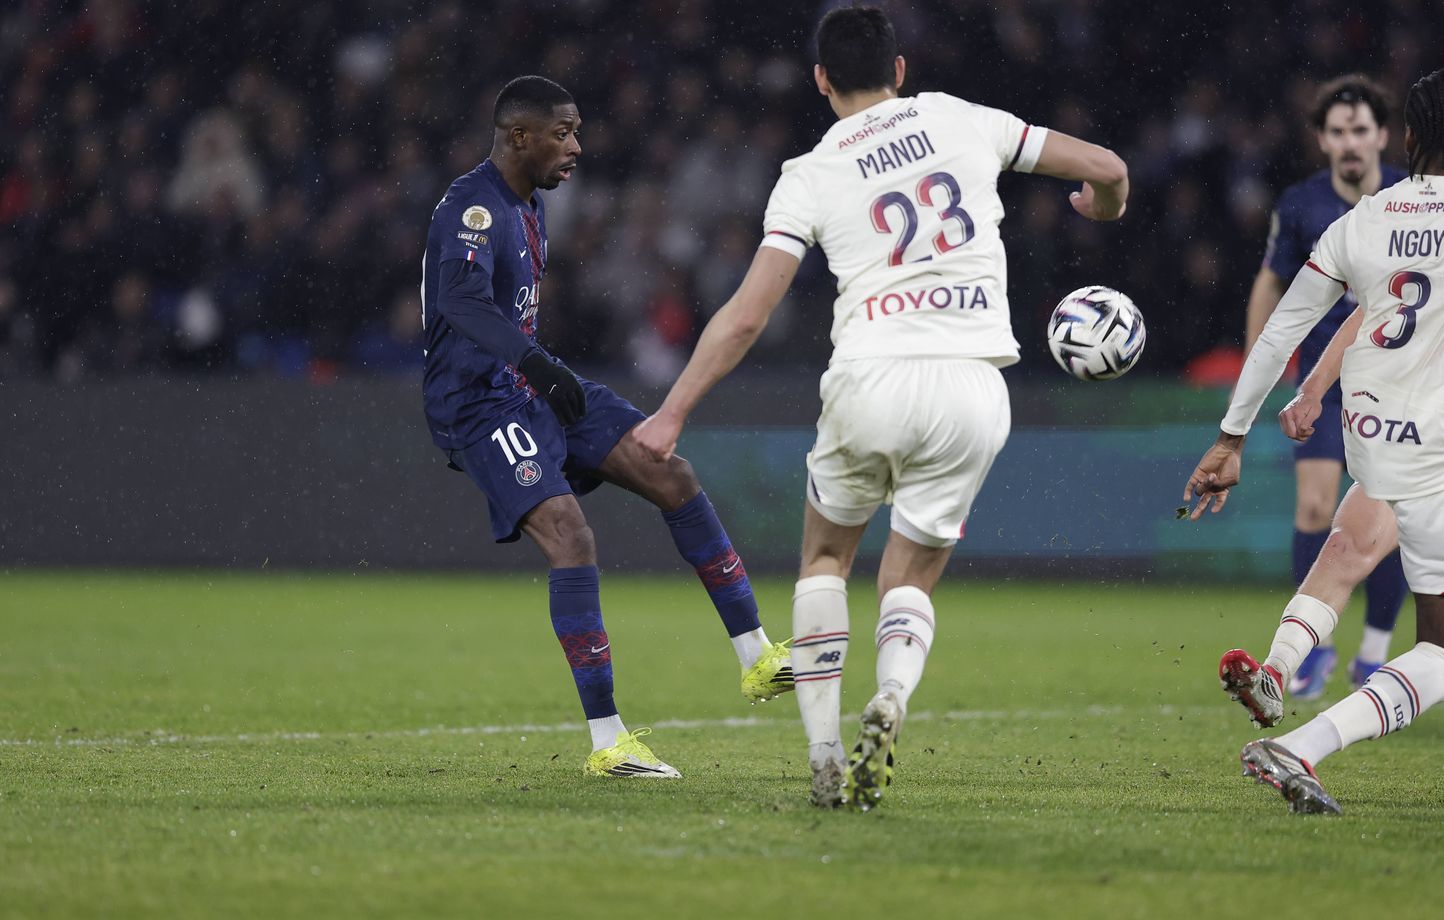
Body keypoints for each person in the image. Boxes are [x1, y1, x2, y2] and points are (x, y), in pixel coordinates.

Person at [631, 7, 1128, 809]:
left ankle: (825, 752)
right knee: (912, 576)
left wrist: (674, 411)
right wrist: (1105, 207)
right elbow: (1106, 166)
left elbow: (749, 314)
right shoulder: (963, 119)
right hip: (973, 385)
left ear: (821, 80)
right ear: (900, 70)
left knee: (826, 560)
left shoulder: (810, 171)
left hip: (871, 376)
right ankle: (892, 693)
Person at [421, 75, 793, 779]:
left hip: (526, 383)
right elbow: (460, 303)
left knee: (668, 470)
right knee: (570, 533)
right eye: (563, 133)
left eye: (578, 131)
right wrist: (537, 363)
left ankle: (757, 656)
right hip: (476, 402)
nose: (577, 147)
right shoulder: (473, 207)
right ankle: (609, 743)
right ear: (519, 136)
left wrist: (537, 368)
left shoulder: (529, 204)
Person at [1186, 68, 1444, 814]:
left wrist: (1232, 436)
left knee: (1348, 547)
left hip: (1378, 434)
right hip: (1435, 447)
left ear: (1407, 137)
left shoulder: (1365, 220)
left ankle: (1278, 669)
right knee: (1438, 648)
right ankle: (1302, 746)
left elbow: (1282, 331)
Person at [1242, 76, 1409, 700]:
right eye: (1338, 131)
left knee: (1387, 518)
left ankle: (1373, 653)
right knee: (1315, 508)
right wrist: (1258, 368)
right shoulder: (1301, 205)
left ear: (1382, 135)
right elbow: (1271, 281)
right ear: (1322, 140)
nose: (1350, 142)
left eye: (1360, 129)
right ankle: (1313, 652)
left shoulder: (1411, 199)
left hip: (1393, 382)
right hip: (1324, 380)